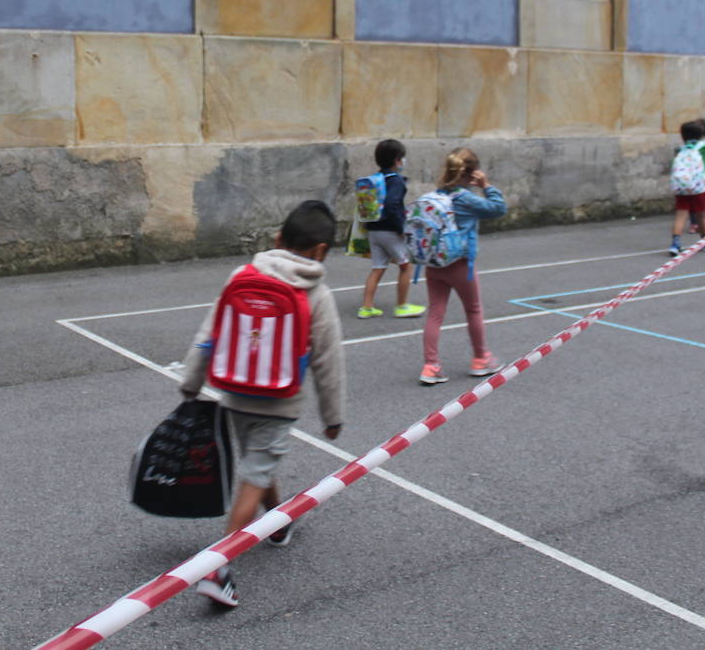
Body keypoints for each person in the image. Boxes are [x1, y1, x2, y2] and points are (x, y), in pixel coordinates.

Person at [178, 200, 346, 607]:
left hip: (234, 393)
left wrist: (191, 381)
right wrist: (333, 416)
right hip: (280, 400)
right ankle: (217, 566)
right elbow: (328, 361)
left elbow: (210, 330)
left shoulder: (242, 275)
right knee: (257, 468)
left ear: (277, 239)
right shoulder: (317, 294)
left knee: (259, 461)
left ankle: (278, 523)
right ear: (321, 250)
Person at [418, 148, 507, 385]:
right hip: (460, 264)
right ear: (472, 174)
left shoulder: (436, 196)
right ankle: (481, 359)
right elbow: (498, 208)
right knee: (473, 310)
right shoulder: (465, 198)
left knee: (435, 313)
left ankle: (430, 366)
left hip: (434, 263)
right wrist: (487, 186)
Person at [356, 139, 425, 319]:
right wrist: (401, 227)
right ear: (397, 160)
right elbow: (392, 205)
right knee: (405, 266)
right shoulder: (396, 182)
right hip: (390, 231)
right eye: (402, 158)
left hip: (373, 230)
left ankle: (367, 307)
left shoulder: (376, 179)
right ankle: (402, 306)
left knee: (378, 267)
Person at [668, 117, 705, 256]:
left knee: (681, 215)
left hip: (682, 186)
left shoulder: (680, 149)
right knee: (701, 215)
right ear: (701, 135)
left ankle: (675, 243)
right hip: (699, 186)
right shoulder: (703, 148)